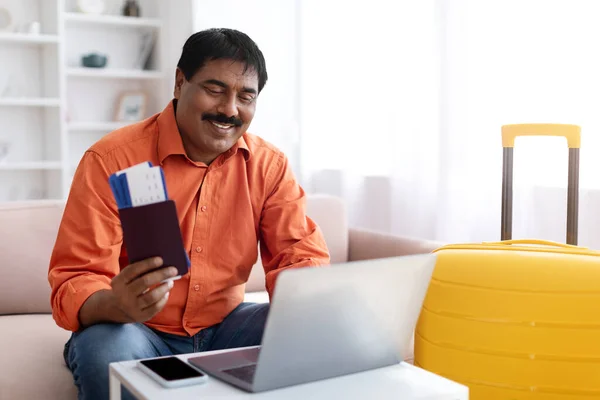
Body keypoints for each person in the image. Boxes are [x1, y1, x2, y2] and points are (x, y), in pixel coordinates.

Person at [48, 28, 330, 400]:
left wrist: (313, 307)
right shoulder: (113, 159)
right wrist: (115, 304)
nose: (230, 109)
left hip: (227, 326)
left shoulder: (269, 166)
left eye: (246, 97)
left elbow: (298, 253)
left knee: (318, 340)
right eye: (215, 90)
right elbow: (76, 276)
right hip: (134, 328)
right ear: (180, 82)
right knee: (103, 351)